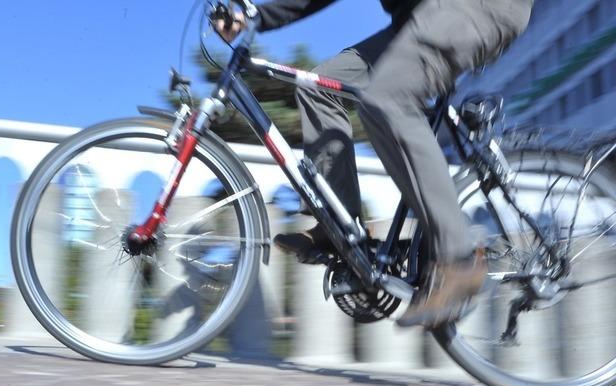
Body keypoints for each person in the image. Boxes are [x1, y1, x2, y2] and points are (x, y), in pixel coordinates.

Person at [215, 0, 533, 327]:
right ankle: (338, 226)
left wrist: (260, 15)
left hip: (473, 7)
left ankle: (459, 258)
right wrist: (257, 16)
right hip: (418, 19)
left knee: (385, 100)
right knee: (316, 86)